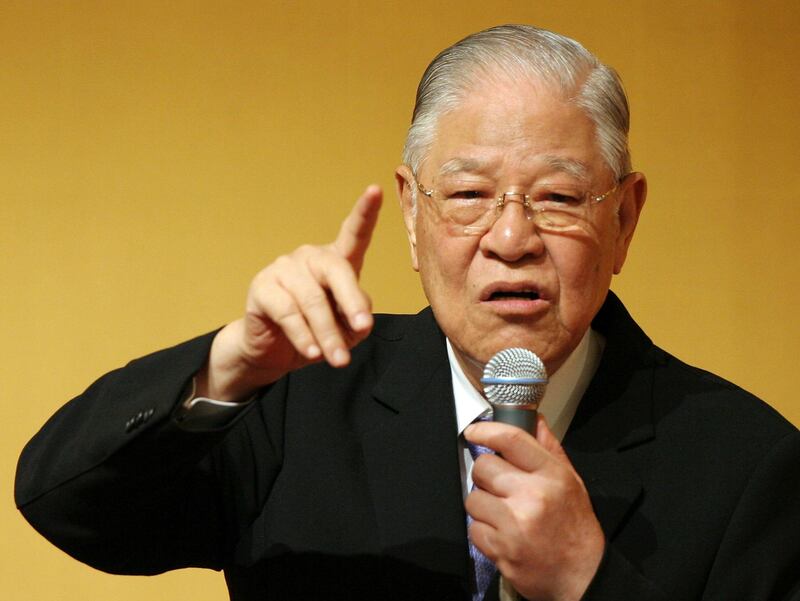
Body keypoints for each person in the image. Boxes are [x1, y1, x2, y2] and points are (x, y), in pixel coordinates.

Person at [15, 24, 800, 601]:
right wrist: (231, 365)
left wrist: (587, 584)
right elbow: (70, 506)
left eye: (559, 197)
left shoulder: (747, 465)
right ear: (412, 217)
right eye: (467, 195)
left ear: (624, 219)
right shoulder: (297, 400)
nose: (511, 237)